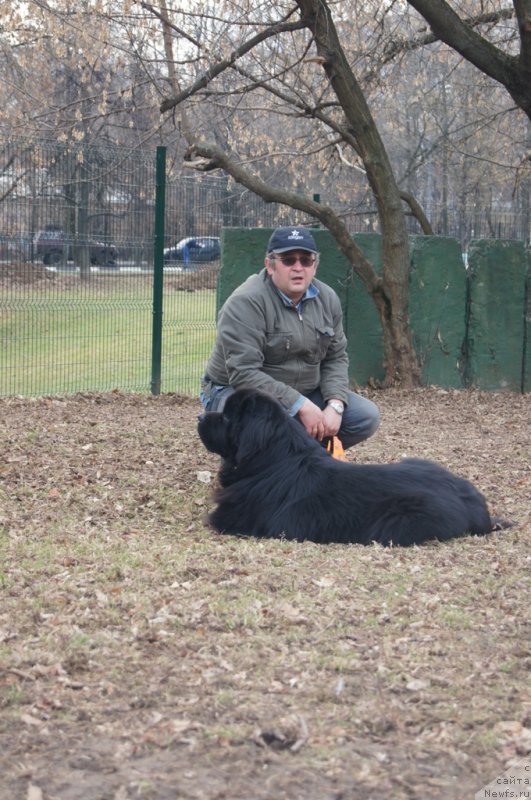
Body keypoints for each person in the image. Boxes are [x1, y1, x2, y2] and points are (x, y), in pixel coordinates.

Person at [200, 225, 380, 450]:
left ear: (315, 265)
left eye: (306, 260)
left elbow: (335, 357)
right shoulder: (245, 302)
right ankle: (249, 468)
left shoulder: (328, 298)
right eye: (288, 260)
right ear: (270, 264)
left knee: (365, 417)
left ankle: (304, 459)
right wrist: (301, 405)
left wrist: (335, 404)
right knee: (255, 425)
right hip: (235, 392)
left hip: (303, 390)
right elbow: (244, 375)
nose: (298, 267)